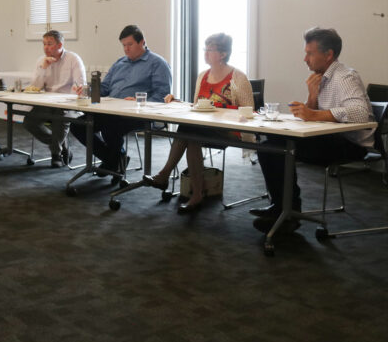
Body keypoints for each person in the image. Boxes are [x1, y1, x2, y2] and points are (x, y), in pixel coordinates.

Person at [250, 27, 374, 233]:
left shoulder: (344, 77)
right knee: (269, 145)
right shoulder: (321, 77)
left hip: (351, 144)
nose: (305, 59)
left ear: (328, 55)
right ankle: (282, 208)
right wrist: (312, 97)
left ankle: (288, 212)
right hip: (331, 137)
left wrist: (313, 114)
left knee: (278, 147)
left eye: (310, 53)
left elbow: (360, 113)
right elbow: (313, 116)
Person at [142, 33, 254, 213]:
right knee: (191, 131)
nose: (205, 53)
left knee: (190, 130)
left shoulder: (238, 77)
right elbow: (196, 107)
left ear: (223, 54)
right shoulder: (203, 76)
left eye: (210, 50)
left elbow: (248, 111)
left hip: (229, 130)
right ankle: (194, 193)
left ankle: (166, 176)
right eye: (205, 49)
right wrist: (177, 102)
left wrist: (223, 114)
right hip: (203, 129)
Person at [71, 25, 172, 178]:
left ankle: (113, 162)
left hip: (138, 114)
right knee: (78, 125)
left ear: (142, 42)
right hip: (111, 111)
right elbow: (104, 88)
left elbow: (162, 95)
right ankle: (115, 160)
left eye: (129, 45)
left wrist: (138, 101)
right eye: (123, 45)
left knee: (109, 127)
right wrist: (88, 90)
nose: (126, 49)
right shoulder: (120, 63)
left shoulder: (157, 63)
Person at [23, 30, 86, 168]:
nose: (46, 47)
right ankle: (60, 145)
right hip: (47, 102)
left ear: (60, 45)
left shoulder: (73, 59)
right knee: (28, 121)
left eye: (50, 44)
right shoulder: (41, 61)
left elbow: (80, 84)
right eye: (44, 44)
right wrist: (43, 68)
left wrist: (72, 95)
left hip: (69, 103)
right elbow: (36, 87)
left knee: (60, 115)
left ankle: (56, 154)